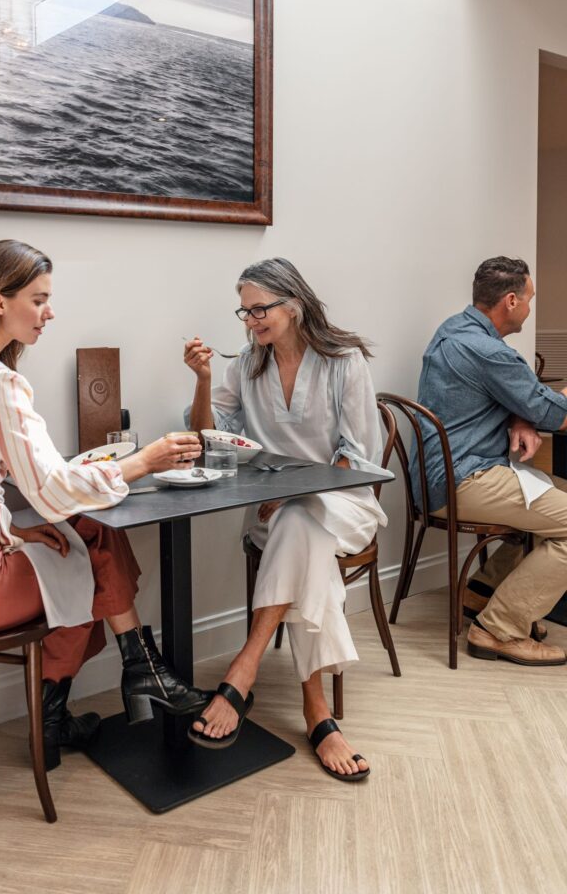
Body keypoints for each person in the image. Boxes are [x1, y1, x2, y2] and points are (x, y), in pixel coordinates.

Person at [0, 239, 210, 770]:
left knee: (84, 536)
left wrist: (13, 531)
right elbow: (53, 491)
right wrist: (144, 461)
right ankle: (134, 672)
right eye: (38, 299)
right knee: (86, 558)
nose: (49, 312)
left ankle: (82, 704)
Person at [184, 257, 387, 781]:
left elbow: (360, 457)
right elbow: (209, 439)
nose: (250, 321)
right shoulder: (245, 366)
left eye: (260, 309)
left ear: (293, 305)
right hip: (278, 517)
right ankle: (318, 713)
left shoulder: (344, 361)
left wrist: (297, 489)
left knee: (300, 518)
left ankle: (243, 667)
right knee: (300, 528)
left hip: (346, 504)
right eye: (245, 311)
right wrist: (203, 380)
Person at [413, 256, 567, 666]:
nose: (530, 308)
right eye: (530, 299)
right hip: (463, 479)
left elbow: (513, 396)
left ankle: (481, 591)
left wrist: (521, 415)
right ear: (511, 301)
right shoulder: (489, 351)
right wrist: (539, 408)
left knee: (551, 492)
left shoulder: (454, 329)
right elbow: (553, 413)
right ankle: (499, 628)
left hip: (437, 475)